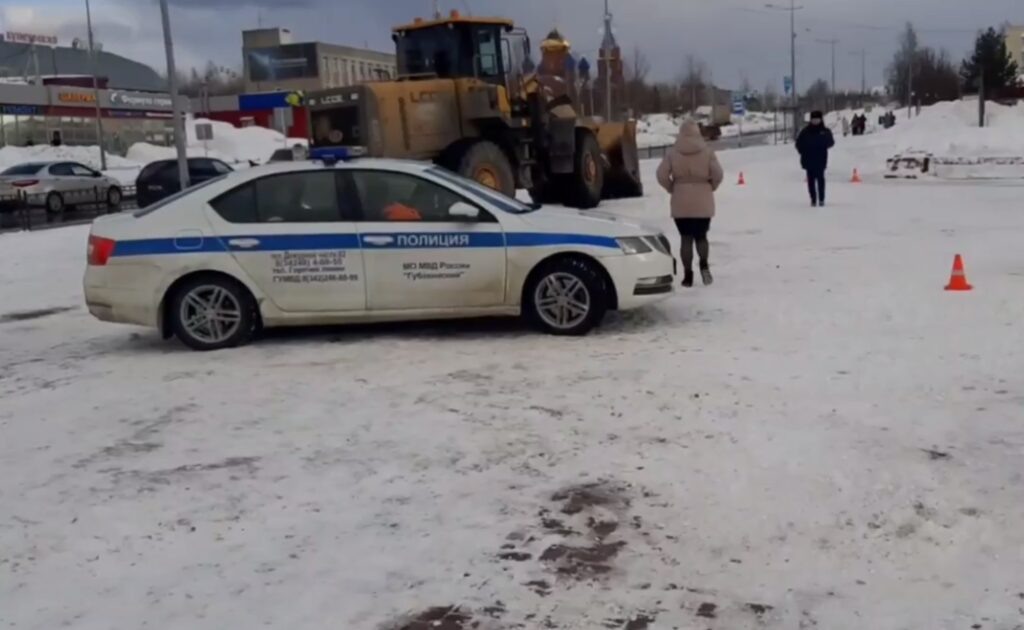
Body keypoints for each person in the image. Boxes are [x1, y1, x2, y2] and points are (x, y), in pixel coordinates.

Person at [656, 120, 724, 287]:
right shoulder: (707, 152)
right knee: (701, 237)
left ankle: (687, 275)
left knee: (685, 238)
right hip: (703, 198)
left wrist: (672, 187)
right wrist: (711, 187)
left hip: (681, 199)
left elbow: (661, 174)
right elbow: (718, 174)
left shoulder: (672, 153)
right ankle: (704, 265)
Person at [796, 110, 835, 207]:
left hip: (820, 159)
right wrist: (803, 151)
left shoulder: (825, 131)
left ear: (820, 120)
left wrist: (822, 144)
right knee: (811, 181)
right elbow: (798, 144)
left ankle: (821, 199)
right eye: (813, 119)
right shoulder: (805, 132)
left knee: (821, 180)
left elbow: (831, 142)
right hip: (808, 160)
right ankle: (813, 198)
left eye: (817, 119)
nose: (815, 121)